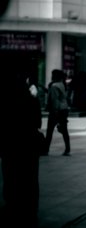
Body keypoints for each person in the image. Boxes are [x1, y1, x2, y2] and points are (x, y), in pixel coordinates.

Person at [0, 72, 42, 227]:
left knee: (11, 176)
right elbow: (38, 122)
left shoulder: (5, 103)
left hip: (11, 145)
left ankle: (12, 205)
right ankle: (31, 207)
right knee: (30, 177)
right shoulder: (32, 101)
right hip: (29, 145)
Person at [45, 69, 71, 156]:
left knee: (49, 131)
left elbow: (54, 100)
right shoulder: (62, 84)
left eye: (52, 75)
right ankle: (67, 148)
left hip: (56, 110)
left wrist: (55, 111)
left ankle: (46, 150)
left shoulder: (54, 86)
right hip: (64, 109)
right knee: (64, 130)